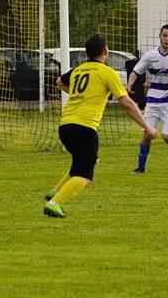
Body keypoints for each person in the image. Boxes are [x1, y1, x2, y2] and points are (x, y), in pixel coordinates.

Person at [43, 34, 156, 218]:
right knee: (85, 175)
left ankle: (56, 191)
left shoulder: (79, 69)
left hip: (65, 125)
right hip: (84, 127)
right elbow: (127, 103)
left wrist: (82, 94)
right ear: (106, 52)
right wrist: (146, 126)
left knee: (89, 162)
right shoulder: (106, 72)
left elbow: (59, 82)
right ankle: (55, 203)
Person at [128, 24, 168, 173]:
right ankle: (140, 168)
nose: (167, 39)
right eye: (165, 35)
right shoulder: (150, 56)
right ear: (160, 36)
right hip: (153, 99)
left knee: (167, 137)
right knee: (148, 134)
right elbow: (135, 72)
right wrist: (129, 84)